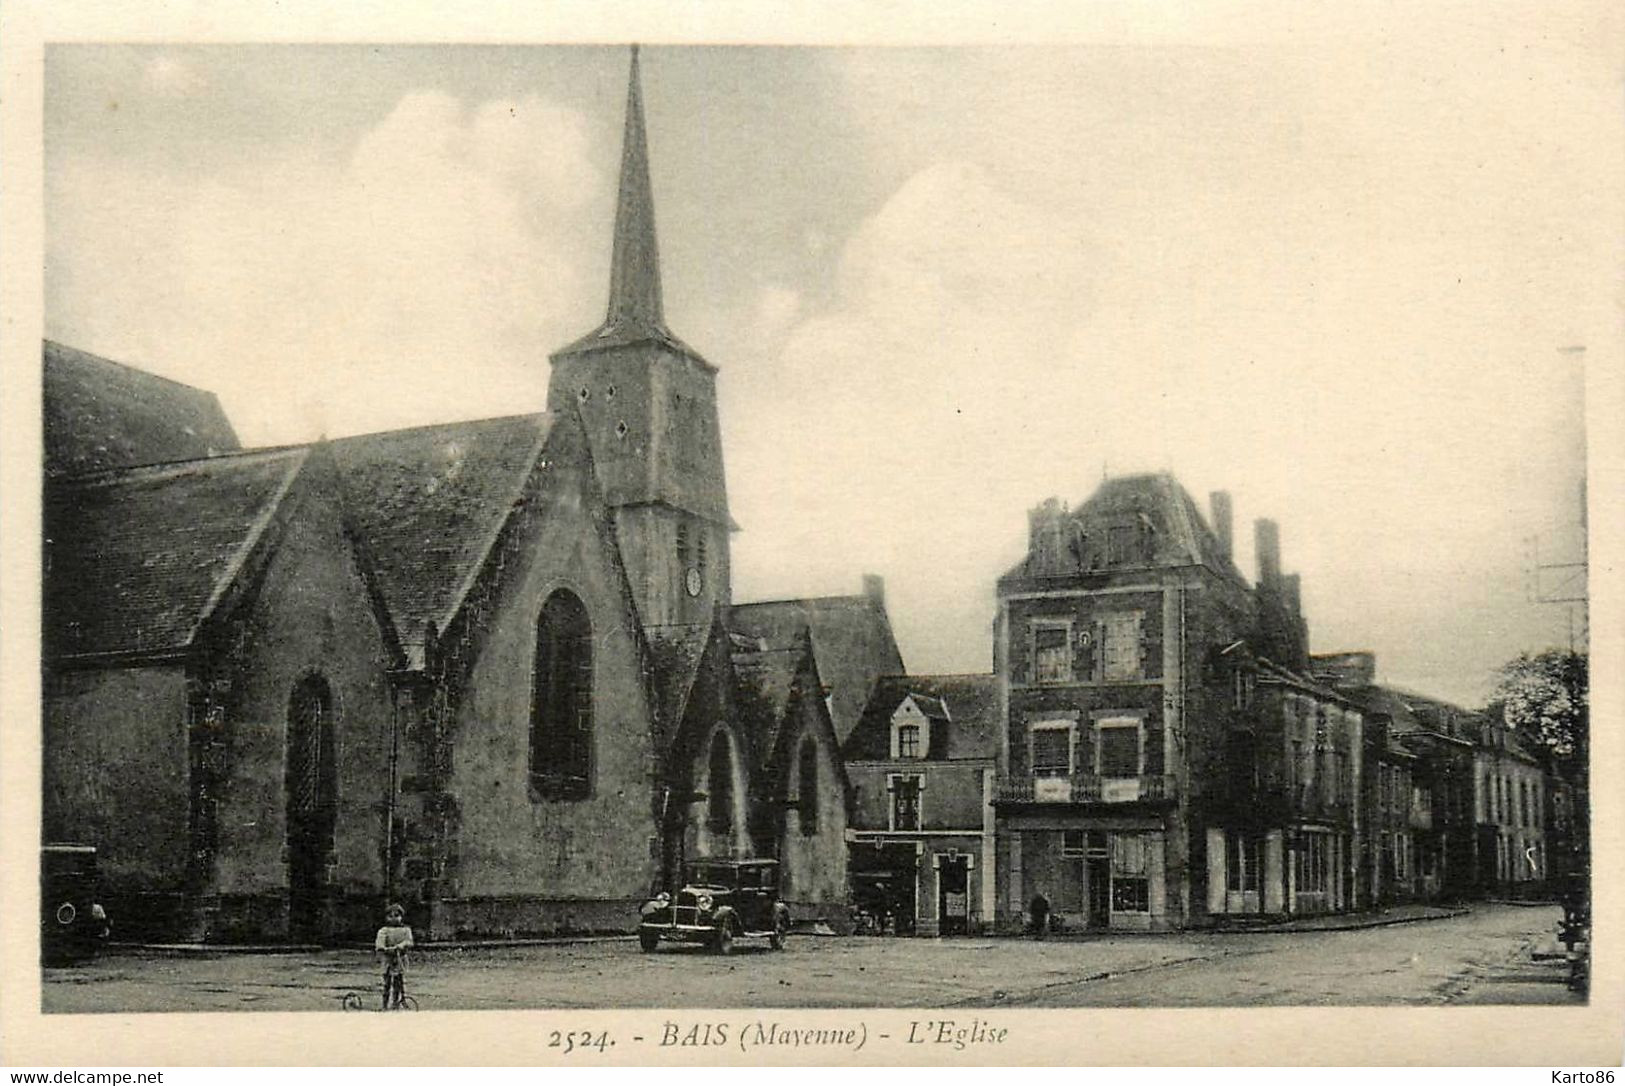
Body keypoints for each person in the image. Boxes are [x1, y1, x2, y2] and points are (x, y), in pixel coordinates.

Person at [374, 902, 414, 1010]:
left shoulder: (406, 930)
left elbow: (409, 941)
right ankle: (384, 1004)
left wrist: (401, 946)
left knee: (398, 982)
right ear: (386, 917)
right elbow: (380, 941)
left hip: (399, 958)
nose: (394, 919)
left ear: (401, 917)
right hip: (388, 959)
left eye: (397, 916)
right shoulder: (384, 930)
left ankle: (395, 1003)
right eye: (390, 916)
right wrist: (382, 947)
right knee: (387, 983)